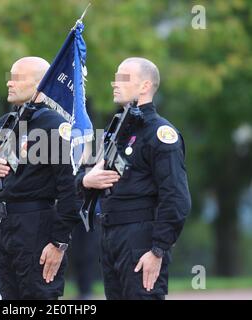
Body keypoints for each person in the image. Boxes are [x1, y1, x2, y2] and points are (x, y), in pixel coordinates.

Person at [76, 57, 191, 300]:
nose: (114, 84)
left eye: (123, 78)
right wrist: (86, 181)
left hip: (140, 240)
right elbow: (89, 178)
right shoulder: (118, 130)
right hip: (111, 236)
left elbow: (176, 197)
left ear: (145, 86)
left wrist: (158, 249)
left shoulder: (160, 133)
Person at [0, 56, 80, 299]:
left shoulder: (54, 125)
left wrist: (59, 242)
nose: (9, 84)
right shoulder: (4, 125)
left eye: (17, 78)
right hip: (3, 229)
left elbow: (69, 189)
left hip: (36, 228)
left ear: (40, 83)